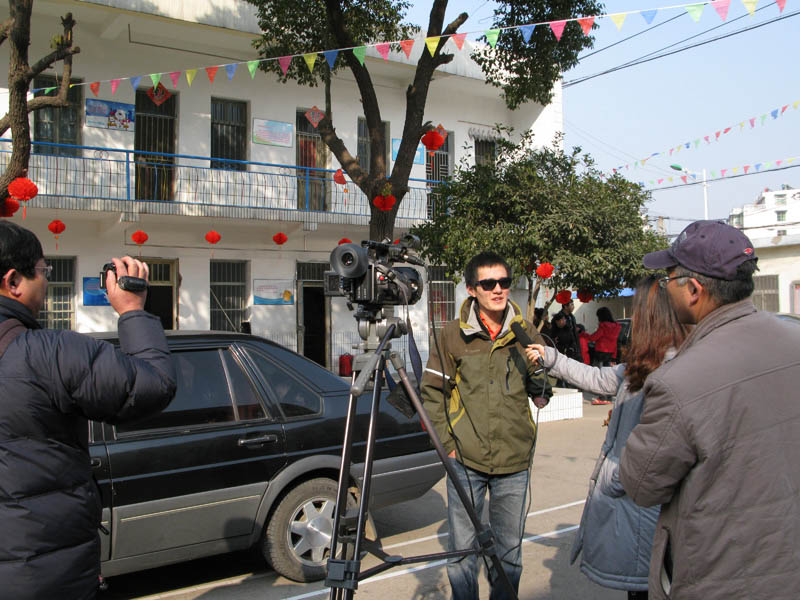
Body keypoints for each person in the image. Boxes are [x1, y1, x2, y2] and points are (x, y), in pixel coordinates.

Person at [619, 220, 800, 600]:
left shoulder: (678, 381)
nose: (665, 288)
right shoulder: (793, 337)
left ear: (694, 290)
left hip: (722, 574)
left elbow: (641, 483)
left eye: (669, 278)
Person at [0, 221, 177, 600]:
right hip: (40, 574)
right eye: (43, 271)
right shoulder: (49, 353)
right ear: (14, 281)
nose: (46, 282)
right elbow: (153, 386)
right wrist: (132, 310)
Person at [525, 276, 687, 599]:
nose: (633, 319)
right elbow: (597, 377)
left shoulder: (672, 372)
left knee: (651, 585)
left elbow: (660, 449)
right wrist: (552, 358)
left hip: (647, 507)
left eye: (638, 311)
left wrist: (618, 475)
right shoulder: (644, 364)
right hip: (635, 505)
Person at [420, 251, 552, 600]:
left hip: (514, 460)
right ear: (471, 289)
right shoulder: (452, 335)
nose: (498, 289)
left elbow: (542, 389)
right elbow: (431, 393)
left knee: (509, 554)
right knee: (462, 553)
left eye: (504, 282)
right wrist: (448, 445)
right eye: (488, 283)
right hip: (465, 460)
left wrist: (542, 376)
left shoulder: (525, 331)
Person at [585, 307, 622, 405]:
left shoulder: (603, 327)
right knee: (609, 376)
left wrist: (583, 334)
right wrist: (614, 356)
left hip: (600, 353)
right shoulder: (616, 327)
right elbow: (615, 342)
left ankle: (602, 397)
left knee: (599, 375)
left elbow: (593, 338)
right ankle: (609, 397)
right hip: (611, 354)